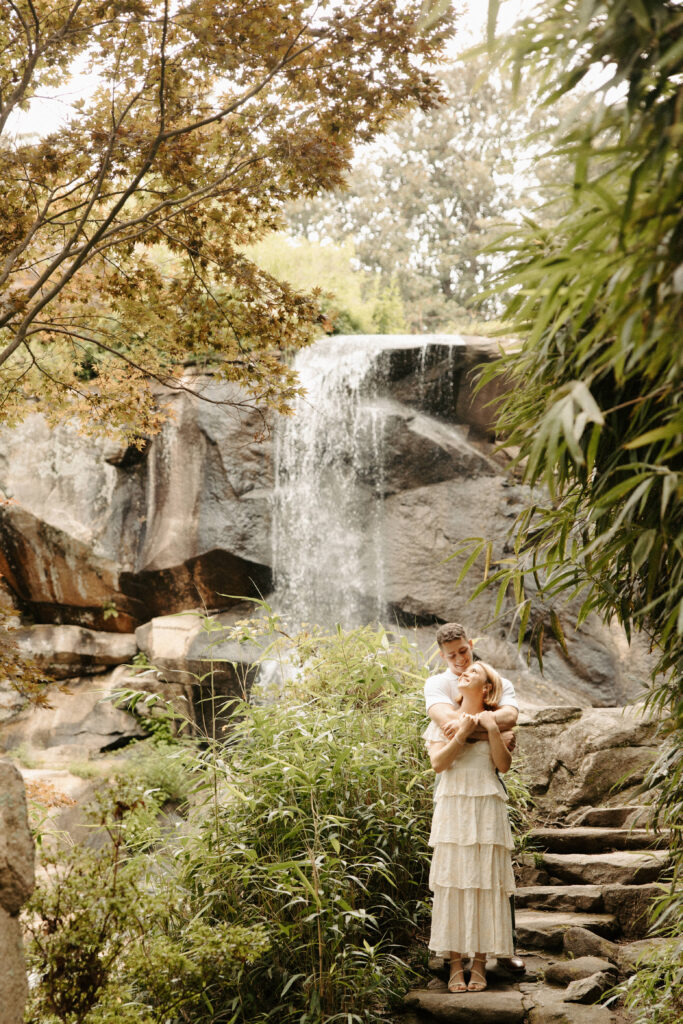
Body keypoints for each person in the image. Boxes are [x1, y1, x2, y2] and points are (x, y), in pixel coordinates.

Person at [424, 622, 525, 974]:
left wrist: (486, 726)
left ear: (471, 644)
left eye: (463, 652)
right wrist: (489, 731)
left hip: (486, 788)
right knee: (456, 874)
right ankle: (454, 958)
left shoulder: (496, 679)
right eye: (451, 655)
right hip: (454, 794)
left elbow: (510, 715)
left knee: (489, 875)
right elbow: (446, 721)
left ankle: (498, 949)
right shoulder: (438, 682)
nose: (459, 661)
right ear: (442, 655)